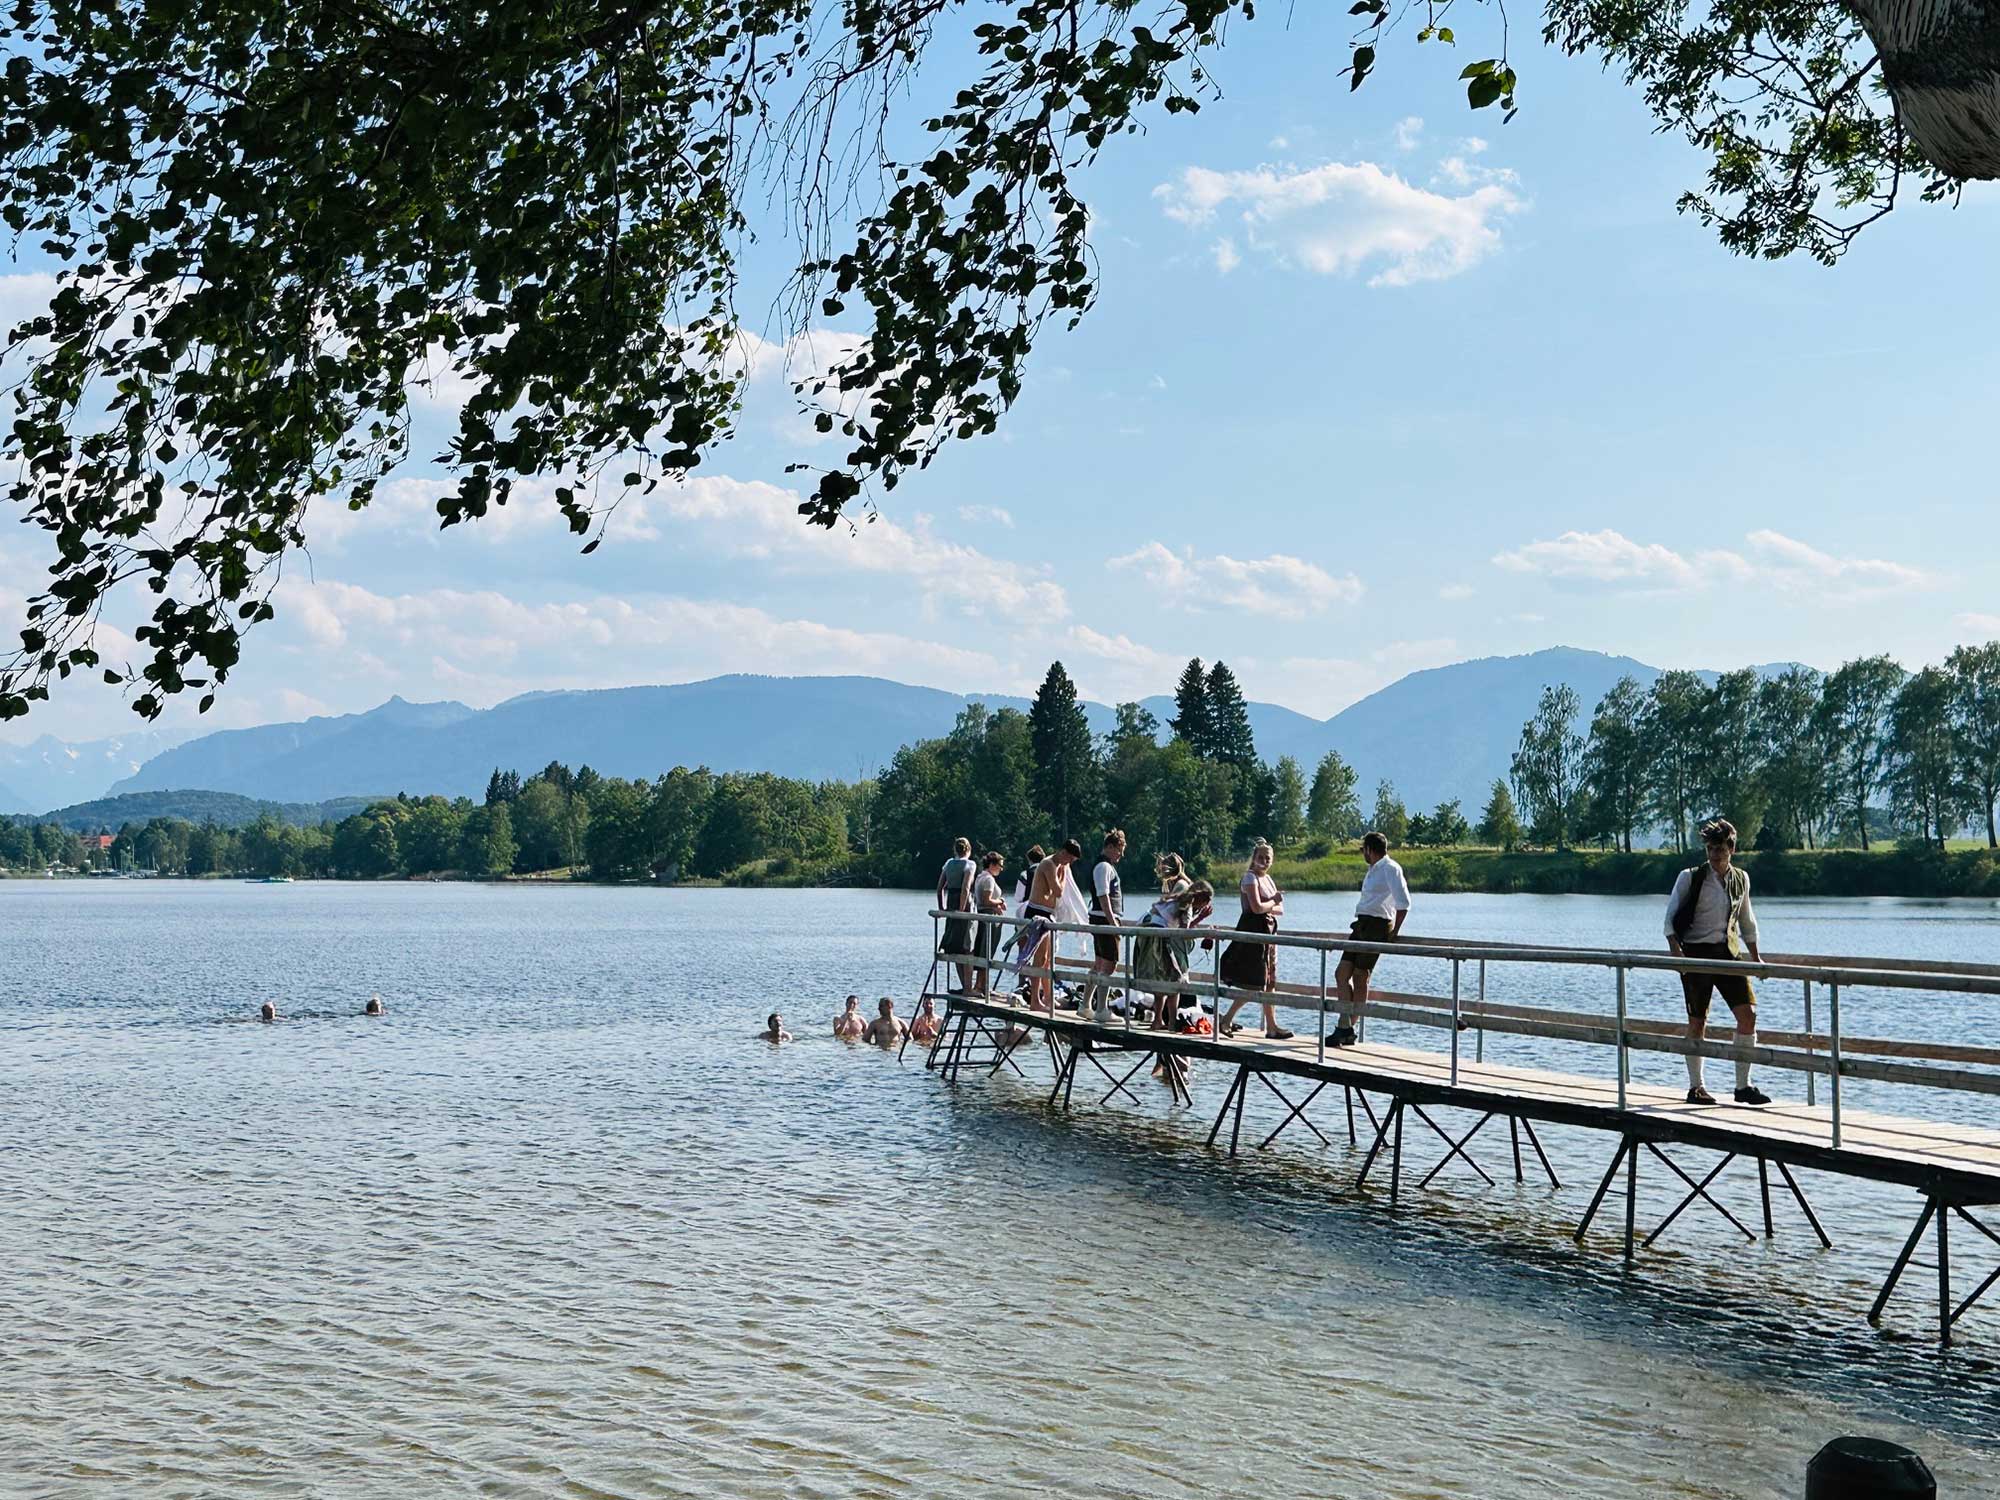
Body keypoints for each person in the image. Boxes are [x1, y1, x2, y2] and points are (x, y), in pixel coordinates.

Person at [1666, 818, 1770, 1106]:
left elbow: (1747, 921)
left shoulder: (1741, 879)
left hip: (1728, 952)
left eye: (1720, 850)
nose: (1714, 856)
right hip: (1696, 954)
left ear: (1732, 849)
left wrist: (1756, 957)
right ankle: (1696, 1087)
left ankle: (1742, 1086)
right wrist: (1678, 955)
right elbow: (1669, 921)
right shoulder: (1690, 877)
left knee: (1748, 1015)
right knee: (1698, 1020)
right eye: (1710, 849)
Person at [1331, 830, 1411, 1047]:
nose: (1362, 854)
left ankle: (1347, 1027)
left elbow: (1403, 903)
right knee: (1341, 973)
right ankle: (1345, 1024)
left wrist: (1394, 932)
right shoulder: (1373, 869)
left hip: (1377, 924)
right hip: (1362, 923)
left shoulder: (1390, 868)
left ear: (1369, 849)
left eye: (1363, 849)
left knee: (1360, 976)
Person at [1220, 841, 1294, 1040]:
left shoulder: (1268, 879)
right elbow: (1255, 908)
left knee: (1270, 982)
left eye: (1268, 858)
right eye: (1260, 857)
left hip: (1269, 933)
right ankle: (1226, 1019)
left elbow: (1280, 910)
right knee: (1255, 982)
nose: (1264, 861)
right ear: (1254, 858)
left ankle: (1271, 1026)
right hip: (1254, 932)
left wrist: (1271, 904)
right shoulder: (1249, 878)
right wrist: (1274, 901)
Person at [1135, 880, 1214, 1029]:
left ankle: (1158, 1020)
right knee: (1175, 980)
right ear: (1201, 899)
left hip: (1148, 933)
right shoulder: (1187, 906)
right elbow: (1184, 933)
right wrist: (1203, 925)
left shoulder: (1176, 899)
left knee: (1161, 979)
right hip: (1160, 937)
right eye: (1205, 902)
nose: (1204, 906)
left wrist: (1199, 919)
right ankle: (1171, 1022)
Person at [1016, 839, 1082, 1014]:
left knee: (1046, 959)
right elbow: (1058, 891)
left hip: (1047, 913)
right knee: (1040, 958)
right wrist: (1062, 871)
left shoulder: (1060, 865)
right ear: (1064, 853)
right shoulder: (1049, 864)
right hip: (1037, 911)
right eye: (1070, 859)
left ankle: (1047, 996)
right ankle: (1035, 1001)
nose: (1070, 863)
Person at [1082, 830, 1127, 1022]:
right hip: (1103, 919)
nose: (1121, 854)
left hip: (1101, 918)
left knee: (1099, 963)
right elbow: (1103, 895)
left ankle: (1085, 1005)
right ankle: (1101, 1009)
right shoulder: (1103, 867)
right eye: (1119, 849)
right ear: (1109, 847)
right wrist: (1113, 922)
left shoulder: (1105, 866)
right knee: (1109, 964)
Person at [936, 837, 978, 995]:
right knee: (968, 946)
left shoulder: (948, 864)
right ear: (968, 849)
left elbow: (940, 888)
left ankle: (965, 986)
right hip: (964, 906)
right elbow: (966, 888)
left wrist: (942, 908)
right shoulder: (970, 864)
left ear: (955, 849)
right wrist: (962, 909)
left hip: (951, 904)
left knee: (955, 946)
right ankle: (968, 988)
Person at [971, 850, 1009, 997]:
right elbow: (986, 901)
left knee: (984, 952)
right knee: (986, 952)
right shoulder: (988, 879)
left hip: (983, 917)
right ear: (992, 864)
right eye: (999, 865)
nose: (1001, 868)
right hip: (989, 919)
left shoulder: (980, 877)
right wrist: (1001, 901)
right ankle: (981, 986)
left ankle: (981, 985)